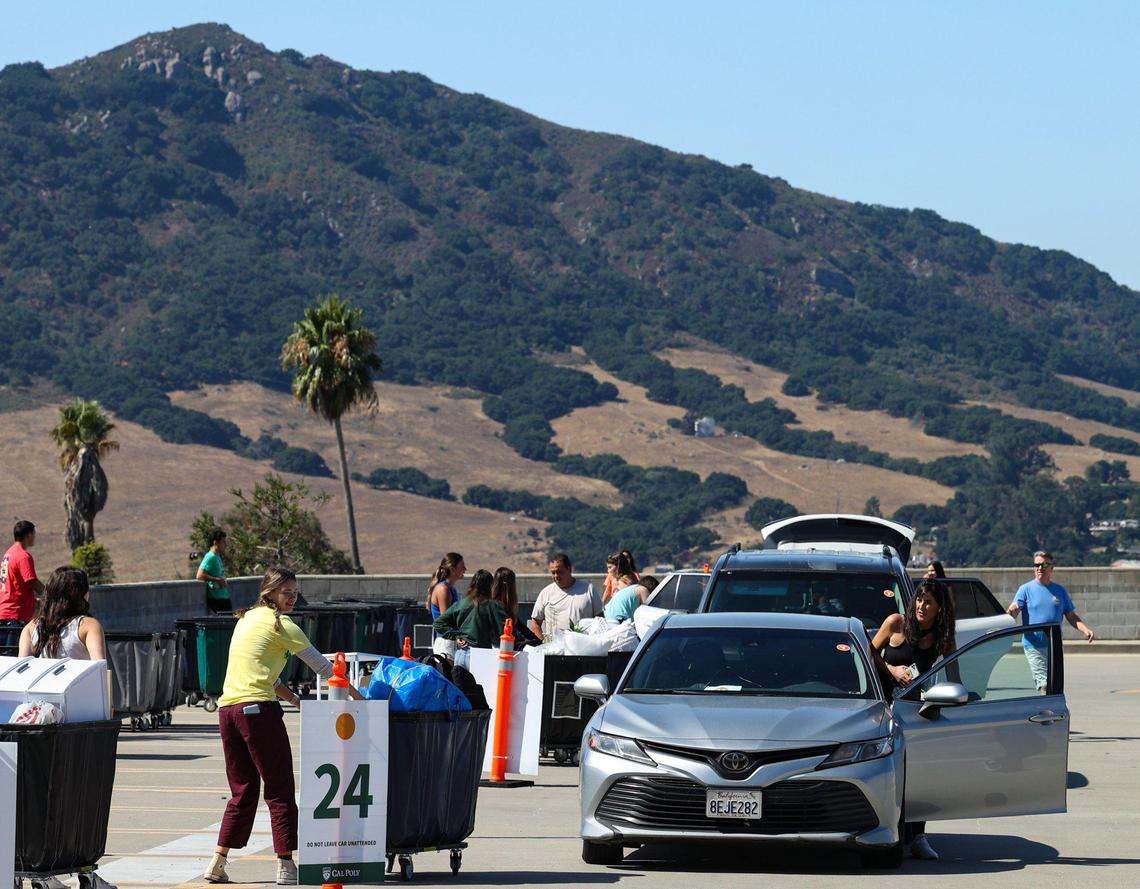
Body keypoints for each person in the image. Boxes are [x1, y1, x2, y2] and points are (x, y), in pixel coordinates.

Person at [205, 567, 362, 886]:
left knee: (242, 790)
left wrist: (295, 701)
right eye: (286, 592)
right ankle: (285, 865)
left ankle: (217, 862)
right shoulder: (283, 625)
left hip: (228, 711)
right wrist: (364, 700)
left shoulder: (246, 619)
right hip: (258, 713)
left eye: (294, 592)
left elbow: (264, 675)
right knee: (279, 788)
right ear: (270, 592)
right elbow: (324, 669)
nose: (292, 598)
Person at [871, 579, 957, 861]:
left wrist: (961, 697)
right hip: (881, 708)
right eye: (919, 600)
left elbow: (955, 673)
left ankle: (918, 836)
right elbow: (868, 653)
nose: (922, 606)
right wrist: (892, 669)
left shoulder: (943, 636)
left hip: (913, 710)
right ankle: (884, 828)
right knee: (885, 771)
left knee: (916, 773)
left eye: (929, 602)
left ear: (939, 607)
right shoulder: (896, 623)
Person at [1008, 551, 1094, 691]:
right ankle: (1046, 709)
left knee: (1055, 685)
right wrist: (1010, 612)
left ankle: (1049, 710)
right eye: (1037, 565)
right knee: (1044, 684)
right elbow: (1014, 609)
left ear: (1052, 567)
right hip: (1033, 645)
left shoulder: (1059, 591)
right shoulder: (1025, 590)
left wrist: (1085, 629)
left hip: (1054, 646)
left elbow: (1071, 616)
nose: (1040, 568)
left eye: (1044, 564)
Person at [18, 566, 106, 660]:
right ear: (82, 594)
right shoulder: (89, 625)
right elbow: (99, 668)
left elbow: (21, 669)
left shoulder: (31, 628)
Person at [433, 569, 514, 649]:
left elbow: (438, 623)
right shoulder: (491, 605)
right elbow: (504, 630)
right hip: (479, 654)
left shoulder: (460, 604)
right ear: (490, 586)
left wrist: (456, 636)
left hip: (461, 654)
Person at [529, 553, 602, 642]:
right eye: (553, 572)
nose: (556, 576)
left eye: (559, 572)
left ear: (569, 570)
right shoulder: (546, 593)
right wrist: (543, 644)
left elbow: (601, 621)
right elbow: (535, 623)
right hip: (555, 650)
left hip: (583, 649)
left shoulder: (588, 590)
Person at [1, 520, 45, 653]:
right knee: (14, 659)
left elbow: (14, 585)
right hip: (16, 616)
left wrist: (33, 601)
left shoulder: (8, 555)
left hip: (4, 614)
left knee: (4, 660)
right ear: (29, 535)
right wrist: (51, 594)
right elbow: (31, 581)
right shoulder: (23, 556)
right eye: (34, 534)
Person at [489, 566, 541, 646]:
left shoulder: (503, 608)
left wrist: (539, 643)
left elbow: (524, 630)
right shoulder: (497, 608)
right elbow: (512, 635)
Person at [197, 530, 231, 614]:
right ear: (216, 542)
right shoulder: (210, 556)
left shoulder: (217, 557)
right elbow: (200, 575)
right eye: (223, 542)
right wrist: (217, 580)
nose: (225, 545)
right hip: (217, 599)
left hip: (223, 597)